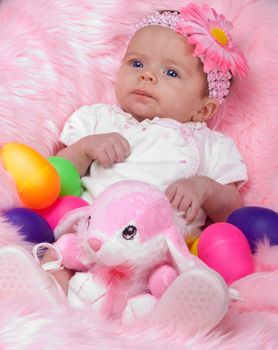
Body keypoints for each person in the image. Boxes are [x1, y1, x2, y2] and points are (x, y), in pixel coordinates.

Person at [0, 3, 248, 334]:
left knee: (177, 276)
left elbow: (232, 210)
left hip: (155, 257)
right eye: (136, 62)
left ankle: (171, 317)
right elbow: (60, 176)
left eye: (171, 72)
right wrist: (85, 149)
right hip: (90, 239)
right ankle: (43, 292)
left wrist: (203, 188)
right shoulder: (98, 118)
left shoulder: (210, 145)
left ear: (205, 109)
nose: (147, 75)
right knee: (59, 257)